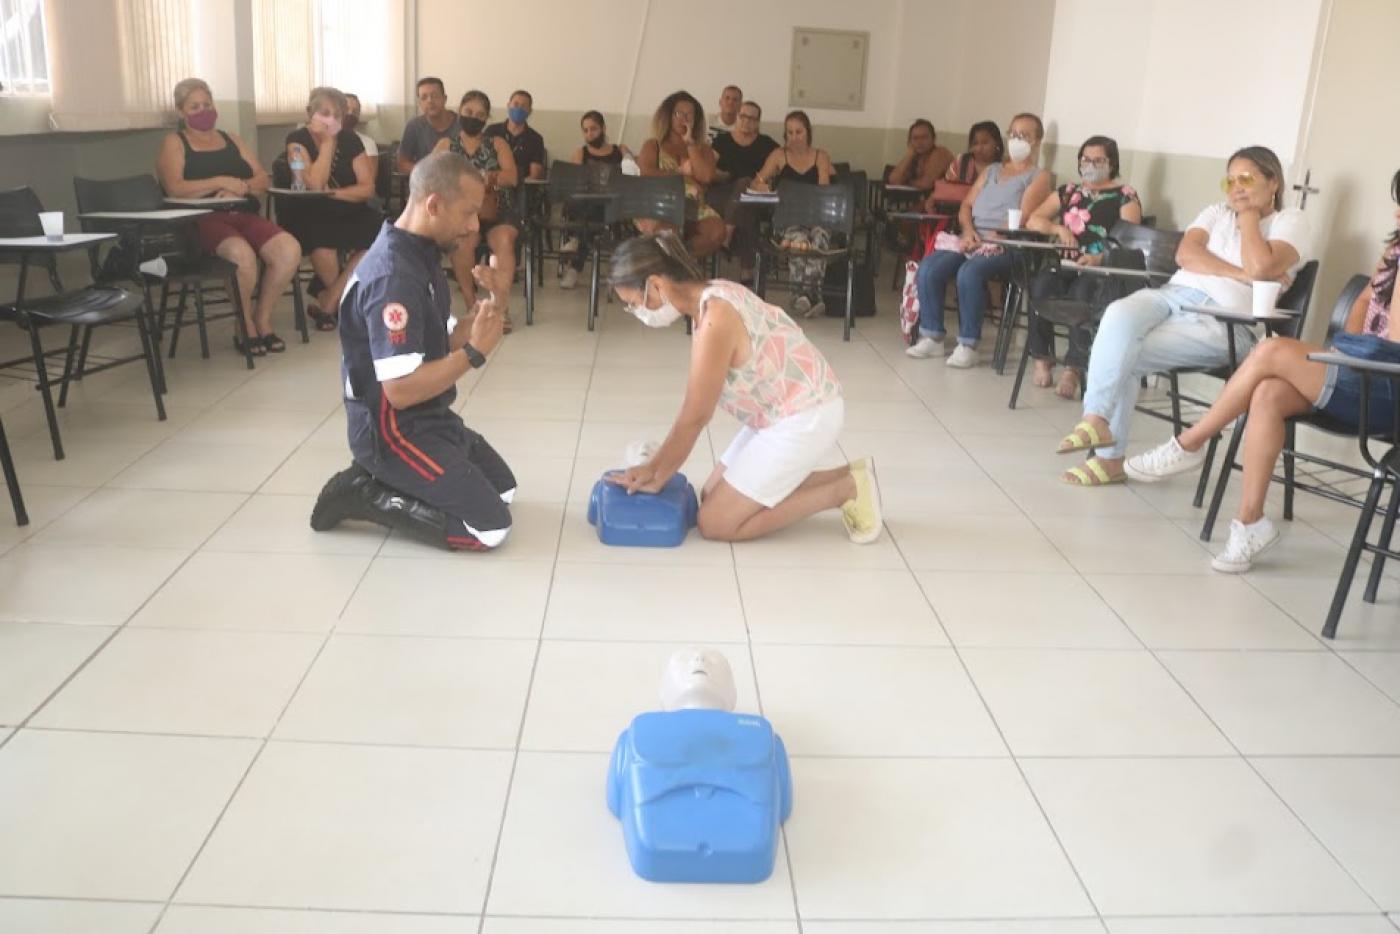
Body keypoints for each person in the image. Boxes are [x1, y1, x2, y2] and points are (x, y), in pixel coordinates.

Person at [1123, 170, 1400, 572]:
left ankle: (1191, 442)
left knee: (1270, 350)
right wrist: (1346, 348)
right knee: (1267, 392)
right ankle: (1250, 522)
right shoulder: (1394, 251)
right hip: (1362, 368)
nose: (1396, 212)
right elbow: (1362, 302)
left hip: (1389, 387)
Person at [1055, 145, 1311, 488]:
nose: (1235, 188)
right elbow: (1186, 254)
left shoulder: (1289, 220)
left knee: (1122, 355)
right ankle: (1095, 418)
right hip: (1172, 295)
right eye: (1230, 181)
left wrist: (1249, 221)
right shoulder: (1216, 212)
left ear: (1273, 182)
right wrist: (1242, 274)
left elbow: (1263, 266)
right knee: (1118, 315)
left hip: (1227, 322)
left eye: (1246, 179)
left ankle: (1109, 459)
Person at [606, 231, 882, 544]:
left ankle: (844, 489)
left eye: (635, 303)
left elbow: (695, 415)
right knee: (711, 494)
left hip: (805, 414)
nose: (638, 313)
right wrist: (654, 468)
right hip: (777, 411)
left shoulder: (715, 319)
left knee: (716, 522)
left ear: (656, 284)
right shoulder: (710, 295)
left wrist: (657, 474)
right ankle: (850, 471)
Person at [310, 152, 514, 552]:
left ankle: (400, 477)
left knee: (505, 491)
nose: (475, 226)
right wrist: (474, 354)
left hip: (429, 417)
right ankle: (365, 492)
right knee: (488, 528)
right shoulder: (394, 276)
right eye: (469, 213)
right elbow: (400, 390)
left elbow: (444, 341)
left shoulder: (419, 253)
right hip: (392, 432)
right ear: (433, 204)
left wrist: (498, 300)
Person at [156, 77, 302, 356]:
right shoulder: (174, 143)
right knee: (242, 256)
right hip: (201, 219)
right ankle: (244, 323)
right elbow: (174, 187)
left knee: (289, 250)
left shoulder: (231, 138)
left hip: (242, 212)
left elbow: (260, 177)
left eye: (207, 104)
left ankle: (263, 317)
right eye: (195, 106)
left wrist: (244, 186)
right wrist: (219, 182)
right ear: (181, 111)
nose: (203, 111)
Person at [906, 112, 1053, 367]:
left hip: (1008, 245)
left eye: (1025, 136)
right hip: (972, 238)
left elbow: (1022, 216)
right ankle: (932, 337)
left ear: (1037, 141)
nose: (1017, 140)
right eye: (1014, 134)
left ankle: (968, 344)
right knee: (929, 267)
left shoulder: (1039, 177)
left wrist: (990, 240)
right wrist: (968, 231)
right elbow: (966, 206)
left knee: (969, 272)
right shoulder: (993, 170)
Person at [1023, 134, 1143, 398]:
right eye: (1085, 159)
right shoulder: (1068, 192)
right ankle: (1042, 358)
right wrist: (1058, 228)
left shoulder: (1125, 196)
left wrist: (1100, 258)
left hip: (1100, 268)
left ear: (1111, 164)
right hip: (1065, 262)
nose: (1090, 164)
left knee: (1082, 292)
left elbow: (1129, 240)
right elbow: (1034, 220)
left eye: (1098, 160)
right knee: (1040, 285)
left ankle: (1074, 368)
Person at [281, 86, 382, 332]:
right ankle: (343, 305)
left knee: (380, 232)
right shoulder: (296, 143)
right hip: (308, 210)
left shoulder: (351, 139)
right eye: (325, 113)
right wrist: (326, 144)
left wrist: (334, 193)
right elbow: (314, 185)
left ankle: (330, 299)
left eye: (337, 115)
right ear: (309, 112)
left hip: (347, 207)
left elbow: (367, 188)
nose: (332, 120)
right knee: (322, 242)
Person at [434, 90, 519, 330]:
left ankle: (500, 306)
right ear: (459, 111)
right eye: (469, 112)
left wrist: (487, 176)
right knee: (462, 243)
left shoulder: (497, 143)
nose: (474, 117)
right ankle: (474, 304)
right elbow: (429, 176)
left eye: (480, 114)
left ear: (487, 118)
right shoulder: (446, 144)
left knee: (504, 239)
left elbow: (511, 177)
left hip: (496, 210)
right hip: (460, 215)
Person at [750, 110, 837, 317]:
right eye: (789, 133)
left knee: (819, 237)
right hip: (788, 218)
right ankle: (810, 297)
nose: (794, 137)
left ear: (808, 133)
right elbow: (757, 181)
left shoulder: (820, 156)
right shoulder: (779, 155)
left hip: (816, 216)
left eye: (799, 132)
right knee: (799, 239)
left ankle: (804, 296)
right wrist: (761, 186)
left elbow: (823, 190)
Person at [638, 91, 725, 259]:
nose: (684, 118)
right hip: (662, 203)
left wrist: (691, 144)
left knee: (717, 231)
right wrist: (679, 173)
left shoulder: (703, 148)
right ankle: (675, 268)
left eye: (689, 114)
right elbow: (646, 173)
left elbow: (706, 177)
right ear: (669, 116)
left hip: (694, 206)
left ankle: (680, 262)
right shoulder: (653, 144)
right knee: (669, 232)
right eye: (678, 113)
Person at [707, 100, 778, 284]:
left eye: (752, 118)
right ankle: (747, 273)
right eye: (743, 116)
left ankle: (727, 232)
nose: (747, 121)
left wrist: (765, 182)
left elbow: (779, 165)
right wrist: (719, 174)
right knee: (745, 207)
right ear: (737, 117)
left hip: (753, 196)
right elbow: (708, 169)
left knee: (746, 191)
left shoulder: (767, 144)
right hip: (722, 193)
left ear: (758, 122)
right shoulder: (722, 140)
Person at [560, 110, 631, 290]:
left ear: (603, 129)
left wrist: (629, 158)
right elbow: (573, 185)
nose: (589, 134)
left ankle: (575, 264)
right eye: (585, 130)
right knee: (588, 213)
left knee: (591, 221)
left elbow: (634, 175)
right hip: (587, 205)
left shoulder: (620, 151)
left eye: (593, 129)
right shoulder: (580, 153)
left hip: (614, 206)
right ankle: (614, 273)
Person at [396, 77, 460, 173]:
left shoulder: (461, 124)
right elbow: (402, 164)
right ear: (419, 103)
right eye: (424, 97)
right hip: (425, 181)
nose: (430, 101)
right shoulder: (414, 126)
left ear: (445, 99)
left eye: (435, 96)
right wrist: (426, 173)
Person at [485, 89, 546, 182]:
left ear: (530, 111)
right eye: (516, 104)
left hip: (521, 189)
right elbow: (481, 162)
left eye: (523, 106)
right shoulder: (492, 131)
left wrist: (516, 187)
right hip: (491, 186)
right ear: (508, 105)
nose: (519, 109)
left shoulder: (536, 139)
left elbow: (535, 175)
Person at [888, 119, 954, 191]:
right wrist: (908, 155)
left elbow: (926, 184)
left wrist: (906, 182)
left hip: (946, 200)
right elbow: (893, 180)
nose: (919, 142)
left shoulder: (941, 153)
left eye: (924, 137)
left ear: (933, 139)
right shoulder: (914, 155)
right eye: (915, 138)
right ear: (909, 141)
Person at [946, 120, 1004, 184]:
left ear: (997, 142)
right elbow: (948, 186)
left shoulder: (1004, 167)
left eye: (985, 142)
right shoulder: (961, 161)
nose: (979, 148)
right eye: (975, 144)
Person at [343, 92, 379, 178]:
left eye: (355, 111)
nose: (350, 113)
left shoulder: (367, 143)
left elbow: (370, 181)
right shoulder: (322, 140)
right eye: (346, 109)